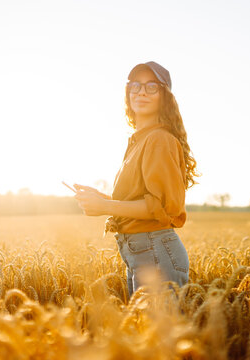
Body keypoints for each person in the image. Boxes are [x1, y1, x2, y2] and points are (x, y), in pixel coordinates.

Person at [73, 61, 199, 297]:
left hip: (155, 254)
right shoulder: (140, 140)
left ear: (165, 96)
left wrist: (104, 207)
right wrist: (101, 198)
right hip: (143, 253)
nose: (141, 91)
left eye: (152, 86)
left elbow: (161, 207)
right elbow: (139, 201)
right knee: (146, 331)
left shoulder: (159, 139)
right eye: (135, 86)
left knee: (157, 333)